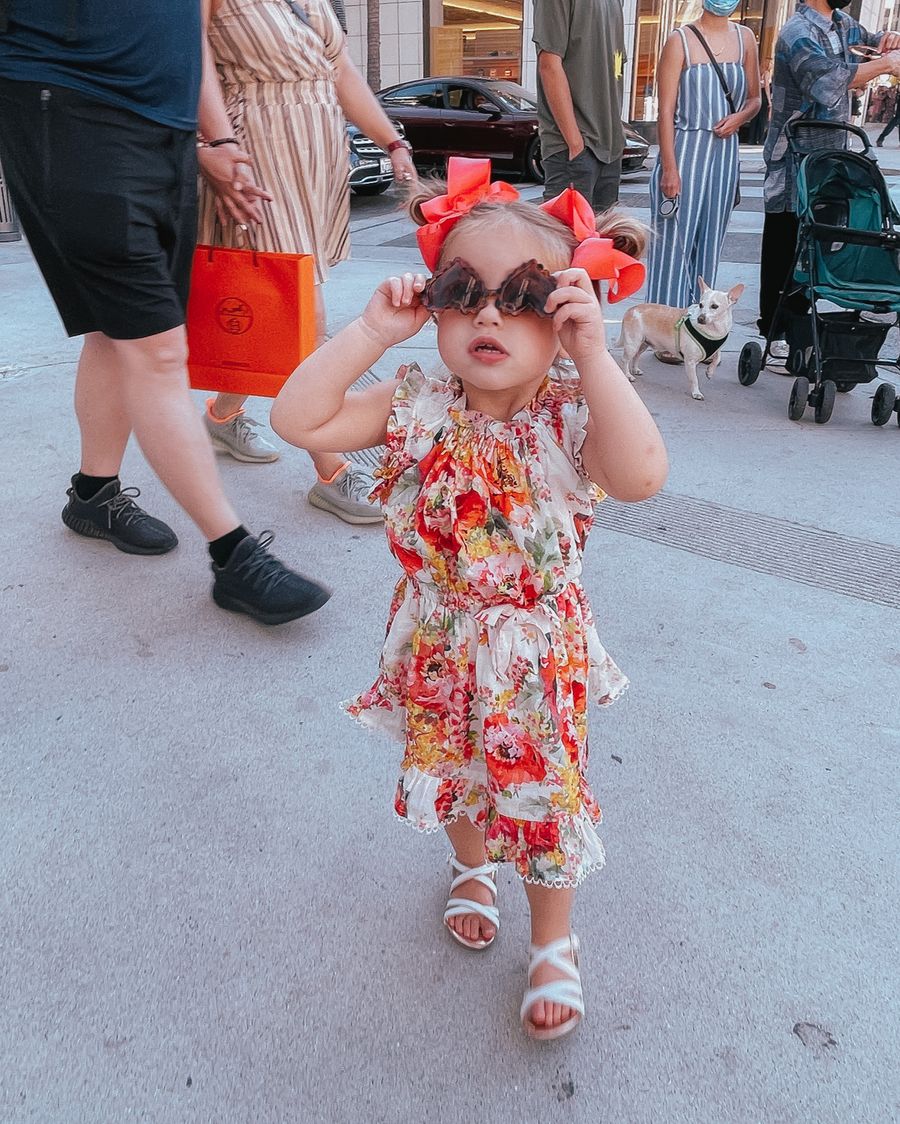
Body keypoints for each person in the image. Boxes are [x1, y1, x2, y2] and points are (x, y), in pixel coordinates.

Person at [270, 159, 669, 1039]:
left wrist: (595, 356)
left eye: (524, 295)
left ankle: (554, 942)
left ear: (562, 314)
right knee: (452, 776)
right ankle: (469, 867)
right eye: (463, 288)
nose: (490, 312)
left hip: (536, 647)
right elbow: (298, 421)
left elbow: (640, 475)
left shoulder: (571, 418)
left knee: (544, 794)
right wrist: (373, 331)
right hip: (439, 638)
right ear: (436, 306)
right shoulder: (417, 405)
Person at [0, 0, 329, 624]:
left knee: (116, 329)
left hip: (166, 133)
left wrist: (218, 138)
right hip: (70, 110)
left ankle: (93, 495)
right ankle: (234, 557)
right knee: (157, 349)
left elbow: (189, 31)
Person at [197, 0, 416, 526]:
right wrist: (217, 143)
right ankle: (333, 471)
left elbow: (339, 72)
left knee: (278, 315)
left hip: (313, 164)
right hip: (256, 155)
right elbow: (190, 55)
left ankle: (223, 414)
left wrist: (392, 139)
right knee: (298, 316)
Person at [759, 0, 900, 358]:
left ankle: (803, 334)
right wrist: (884, 64)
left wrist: (889, 39)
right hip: (794, 159)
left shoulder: (842, 24)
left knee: (818, 245)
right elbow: (825, 81)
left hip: (831, 159)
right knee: (786, 244)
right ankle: (774, 333)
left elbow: (872, 37)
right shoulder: (797, 33)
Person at [647, 3, 760, 317]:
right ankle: (666, 323)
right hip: (685, 148)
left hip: (725, 154)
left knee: (711, 240)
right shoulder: (679, 40)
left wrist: (739, 118)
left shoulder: (746, 38)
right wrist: (669, 168)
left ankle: (699, 325)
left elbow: (755, 99)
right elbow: (665, 112)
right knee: (673, 243)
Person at [534, 0, 626, 212]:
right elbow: (549, 65)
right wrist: (575, 144)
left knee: (602, 241)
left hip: (609, 148)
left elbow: (617, 67)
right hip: (573, 148)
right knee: (566, 241)